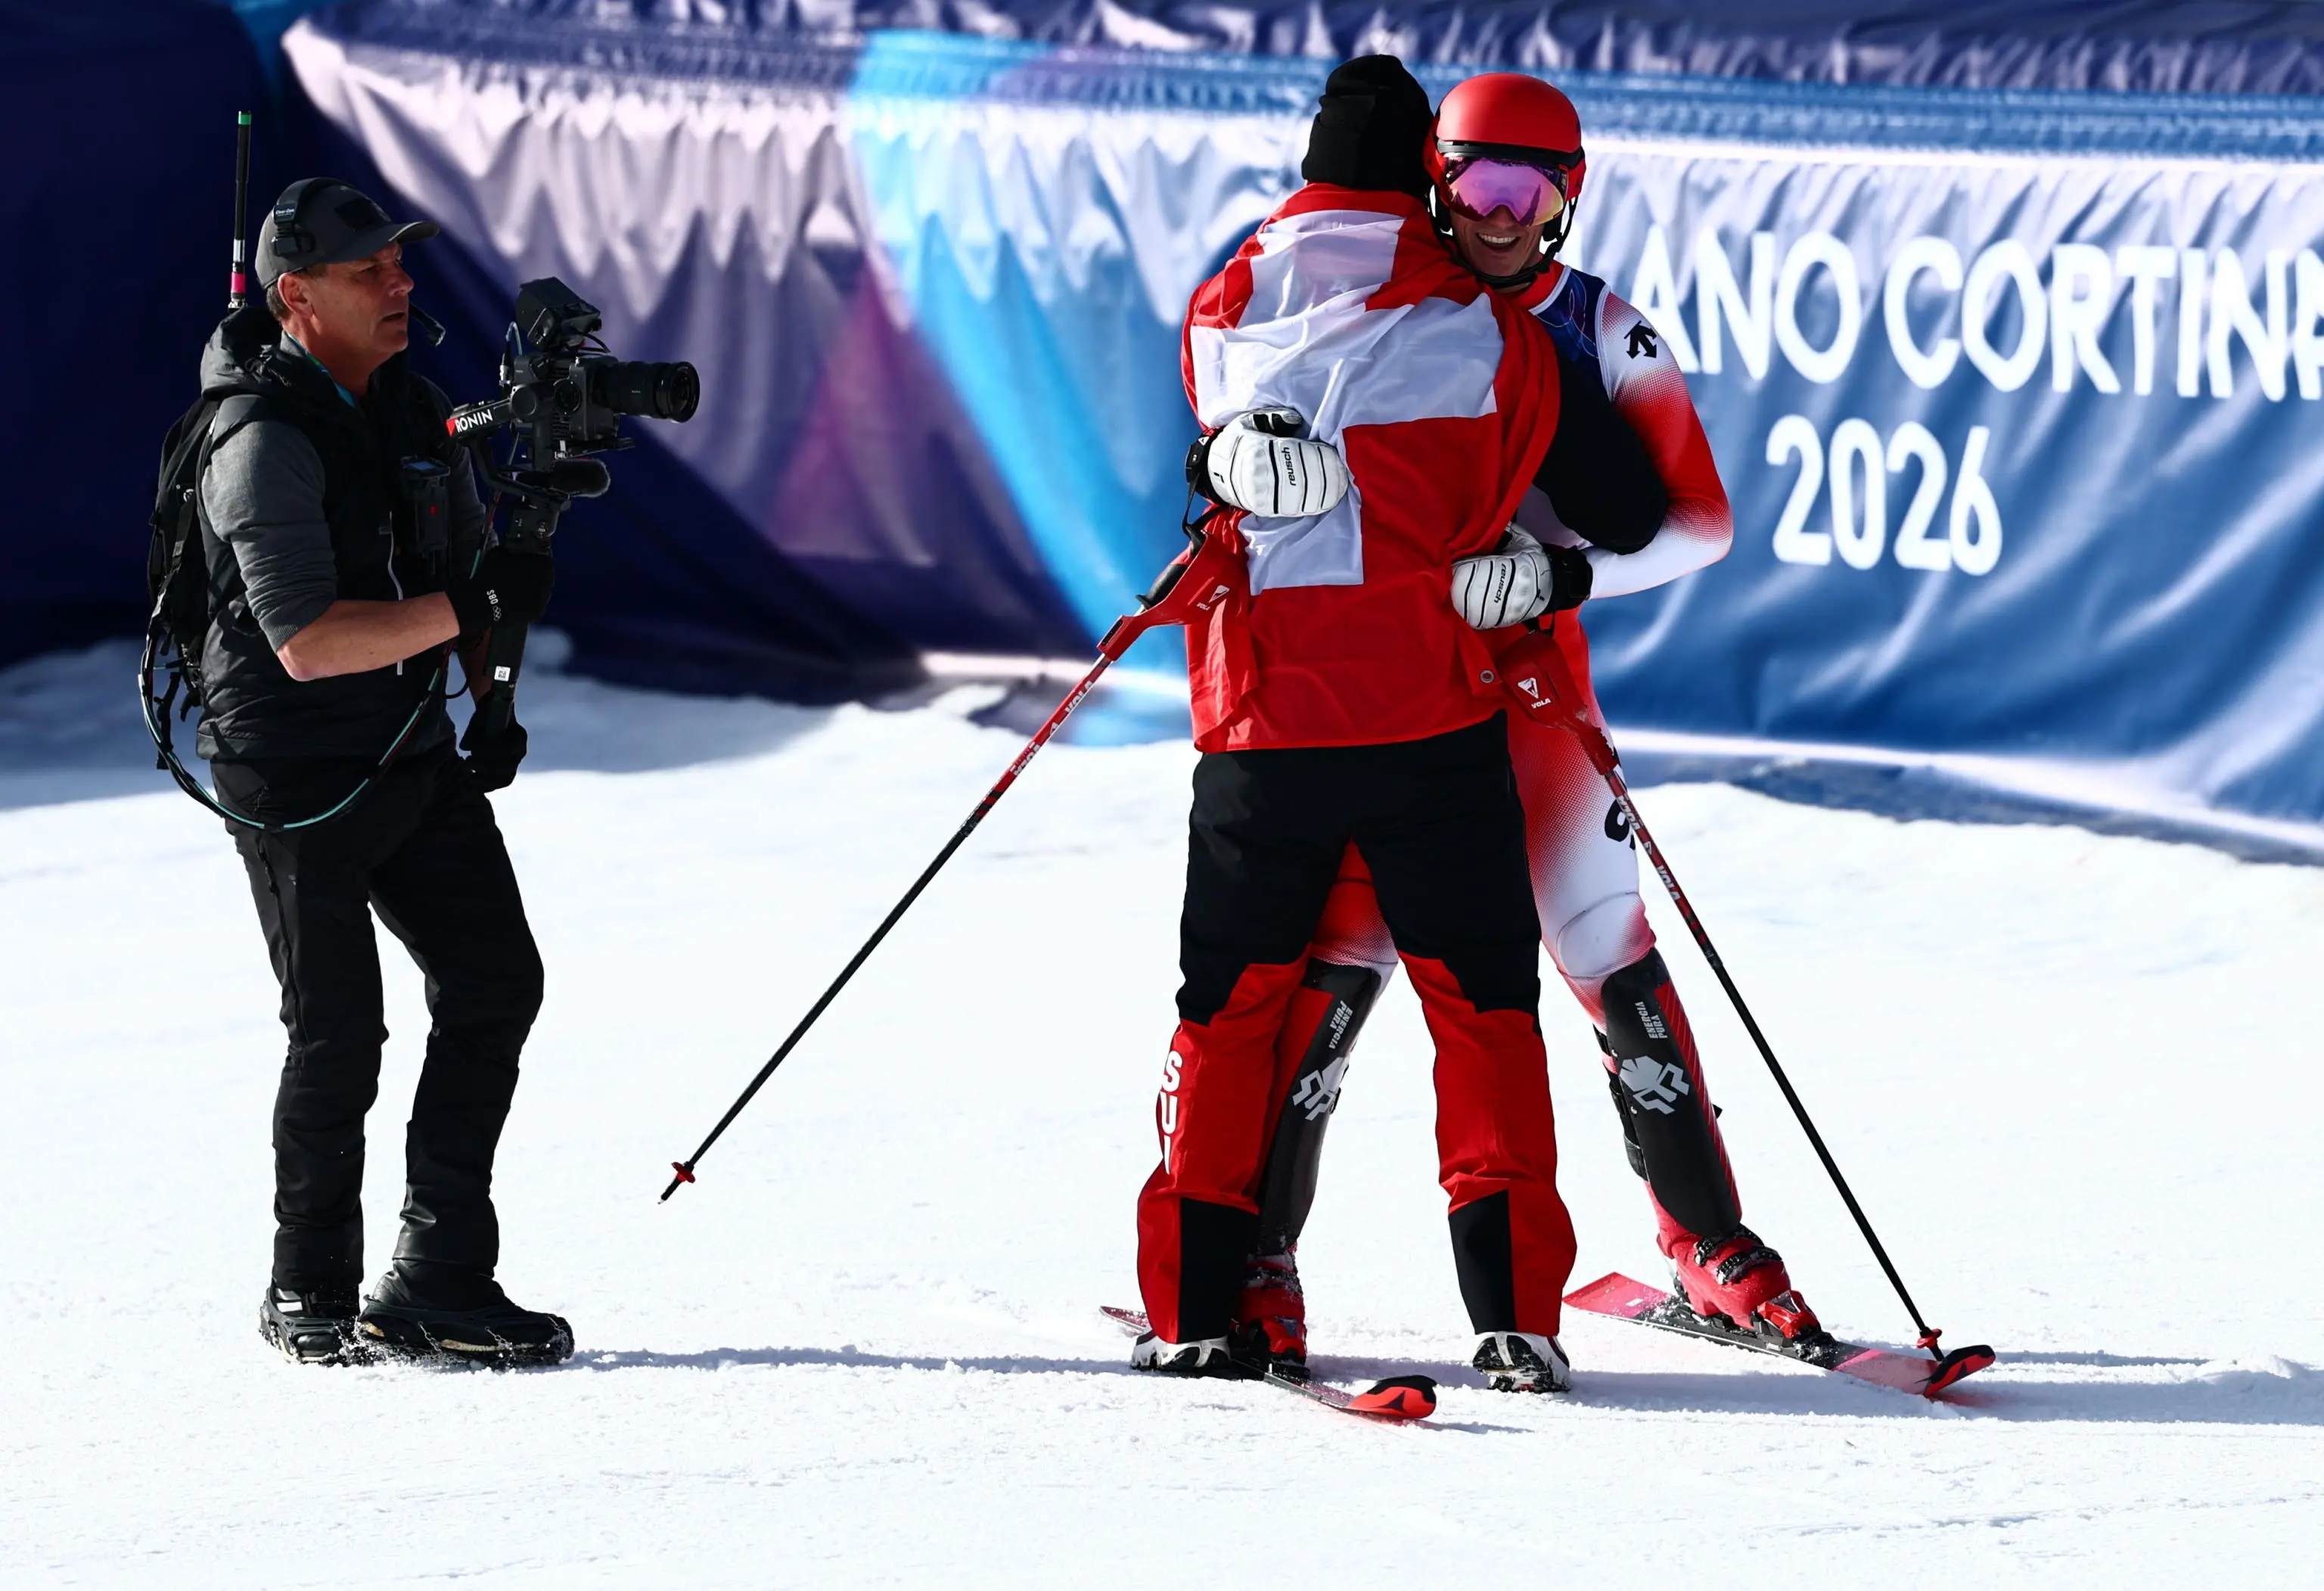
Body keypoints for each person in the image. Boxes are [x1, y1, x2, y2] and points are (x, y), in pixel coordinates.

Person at [1201, 71, 1823, 1385]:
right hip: (1385, 686)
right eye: (1471, 184)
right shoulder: (1358, 289)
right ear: (1432, 176)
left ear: (1567, 198)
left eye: (1524, 193)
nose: (1495, 216)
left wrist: (1564, 577)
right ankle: (1256, 1256)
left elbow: (1697, 521)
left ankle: (1706, 1240)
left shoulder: (1599, 325)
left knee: (1603, 941)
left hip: (1527, 689)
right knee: (1340, 957)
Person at [1132, 57, 1582, 1394]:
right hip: (1433, 725)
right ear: (1427, 181)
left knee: (1228, 1016)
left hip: (1263, 730)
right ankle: (1515, 1313)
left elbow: (1210, 465)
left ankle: (1193, 1305)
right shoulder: (1490, 331)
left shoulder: (1225, 296)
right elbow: (1505, 492)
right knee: (1486, 1008)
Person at [193, 177, 570, 1365]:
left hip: (403, 744)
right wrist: (467, 603)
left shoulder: (414, 410)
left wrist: (491, 678)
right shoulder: (259, 441)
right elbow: (309, 643)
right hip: (292, 765)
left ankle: (441, 1273)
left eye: (402, 265)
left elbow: (457, 568)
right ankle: (309, 1286)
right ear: (297, 298)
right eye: (371, 272)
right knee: (340, 1031)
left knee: (496, 979)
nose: (401, 284)